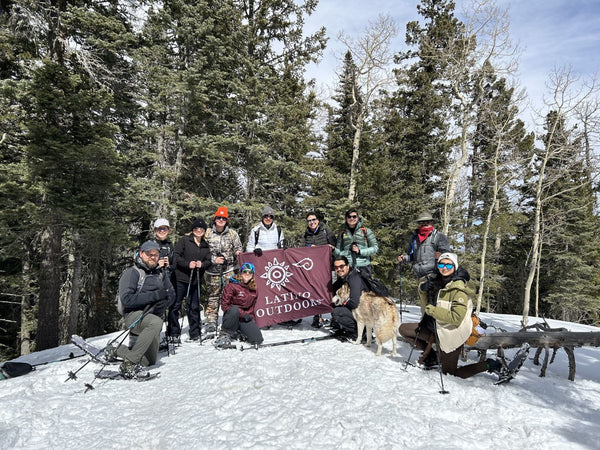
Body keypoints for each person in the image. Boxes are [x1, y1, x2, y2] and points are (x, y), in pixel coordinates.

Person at [398, 253, 502, 378]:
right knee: (404, 329)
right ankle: (433, 357)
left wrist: (433, 310)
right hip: (435, 328)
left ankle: (489, 364)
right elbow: (427, 307)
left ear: (455, 266)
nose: (444, 267)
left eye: (448, 264)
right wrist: (423, 290)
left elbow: (456, 318)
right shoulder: (437, 281)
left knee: (451, 373)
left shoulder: (458, 289)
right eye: (441, 264)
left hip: (452, 332)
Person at [111, 241, 175, 379]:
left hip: (153, 318)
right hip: (134, 316)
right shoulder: (132, 273)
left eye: (155, 254)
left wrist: (163, 302)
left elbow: (171, 294)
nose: (152, 257)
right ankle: (129, 364)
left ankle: (114, 350)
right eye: (149, 254)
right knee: (156, 322)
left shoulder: (161, 273)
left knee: (149, 361)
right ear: (141, 254)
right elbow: (127, 299)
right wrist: (154, 296)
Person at [170, 219, 212, 341]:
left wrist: (202, 264)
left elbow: (208, 261)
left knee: (194, 306)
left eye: (201, 229)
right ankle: (173, 332)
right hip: (180, 278)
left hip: (195, 280)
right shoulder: (184, 241)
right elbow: (176, 256)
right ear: (192, 230)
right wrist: (187, 264)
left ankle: (195, 332)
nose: (198, 231)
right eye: (196, 229)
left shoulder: (205, 245)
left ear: (204, 231)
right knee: (175, 306)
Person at [204, 206, 243, 333]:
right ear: (215, 219)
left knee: (229, 296)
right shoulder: (207, 233)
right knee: (213, 296)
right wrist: (213, 260)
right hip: (212, 271)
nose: (221, 220)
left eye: (224, 218)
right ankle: (210, 321)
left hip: (229, 270)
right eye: (219, 218)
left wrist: (238, 253)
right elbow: (202, 251)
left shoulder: (232, 234)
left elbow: (239, 249)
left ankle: (229, 319)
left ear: (227, 220)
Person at [216, 262, 264, 347]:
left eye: (250, 272)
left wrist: (252, 323)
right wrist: (242, 314)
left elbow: (252, 308)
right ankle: (224, 334)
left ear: (252, 275)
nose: (247, 274)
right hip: (232, 317)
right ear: (241, 272)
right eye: (245, 271)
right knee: (234, 310)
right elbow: (225, 306)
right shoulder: (232, 286)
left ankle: (240, 332)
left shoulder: (254, 289)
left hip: (244, 318)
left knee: (258, 339)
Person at [303, 211, 336, 328]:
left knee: (331, 290)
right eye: (309, 221)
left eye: (313, 220)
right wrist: (310, 248)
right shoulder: (307, 234)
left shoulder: (326, 231)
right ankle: (317, 315)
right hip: (315, 267)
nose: (311, 222)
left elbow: (334, 246)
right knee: (316, 290)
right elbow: (304, 248)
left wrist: (329, 248)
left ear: (317, 220)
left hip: (328, 266)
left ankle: (334, 316)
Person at [397, 211, 451, 280]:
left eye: (427, 222)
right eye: (421, 222)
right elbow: (413, 256)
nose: (424, 224)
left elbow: (448, 256)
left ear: (432, 222)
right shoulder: (414, 238)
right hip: (419, 276)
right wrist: (404, 258)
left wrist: (441, 255)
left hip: (435, 276)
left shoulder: (439, 236)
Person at [330, 256, 368, 340]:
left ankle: (360, 332)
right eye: (336, 267)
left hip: (365, 313)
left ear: (347, 266)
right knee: (333, 305)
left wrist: (342, 304)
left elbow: (354, 303)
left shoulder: (354, 278)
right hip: (359, 310)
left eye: (341, 266)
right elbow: (332, 288)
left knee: (337, 311)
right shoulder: (345, 276)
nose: (339, 269)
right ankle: (348, 328)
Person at [333, 208, 379, 276]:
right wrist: (333, 249)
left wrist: (360, 251)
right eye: (349, 216)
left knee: (364, 286)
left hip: (363, 266)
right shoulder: (342, 233)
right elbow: (338, 253)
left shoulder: (365, 231)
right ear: (346, 218)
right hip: (347, 267)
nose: (352, 218)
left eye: (354, 216)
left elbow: (375, 248)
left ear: (357, 218)